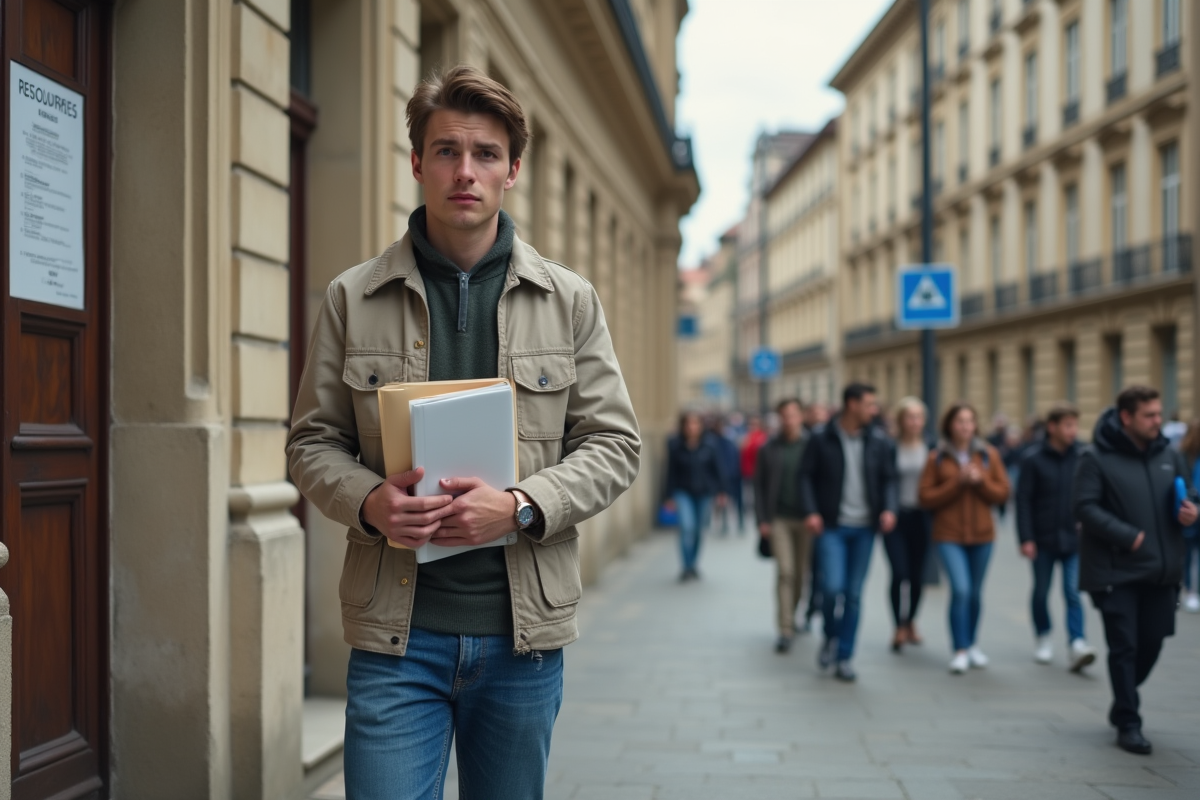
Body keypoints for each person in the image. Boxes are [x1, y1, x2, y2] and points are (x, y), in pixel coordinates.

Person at [286, 65, 641, 799]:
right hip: (396, 640)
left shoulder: (568, 300)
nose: (465, 172)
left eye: (485, 154)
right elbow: (311, 443)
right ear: (417, 163)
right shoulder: (354, 297)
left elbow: (615, 444)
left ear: (513, 170)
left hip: (523, 643)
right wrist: (370, 501)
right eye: (446, 151)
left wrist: (518, 506)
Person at [1074, 386, 1197, 755]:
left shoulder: (1169, 455)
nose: (1158, 422)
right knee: (1124, 646)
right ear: (1126, 417)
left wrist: (1191, 510)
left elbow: (1188, 494)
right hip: (1116, 572)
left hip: (1161, 572)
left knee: (1152, 643)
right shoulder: (1095, 458)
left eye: (1159, 414)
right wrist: (1127, 536)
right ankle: (1129, 721)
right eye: (1150, 415)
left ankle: (1122, 698)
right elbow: (1084, 507)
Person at [798, 383, 898, 682]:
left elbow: (889, 480)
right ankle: (830, 634)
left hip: (864, 529)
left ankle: (844, 656)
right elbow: (805, 477)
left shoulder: (879, 441)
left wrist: (889, 509)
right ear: (852, 405)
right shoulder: (821, 438)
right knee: (831, 589)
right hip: (831, 526)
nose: (874, 410)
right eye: (869, 404)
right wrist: (811, 511)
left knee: (853, 595)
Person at [918, 402, 1010, 675]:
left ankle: (972, 644)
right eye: (960, 421)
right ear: (950, 425)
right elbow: (925, 497)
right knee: (961, 590)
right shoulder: (937, 457)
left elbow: (1003, 493)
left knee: (975, 594)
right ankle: (959, 649)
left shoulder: (988, 455)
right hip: (948, 535)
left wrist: (981, 480)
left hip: (982, 535)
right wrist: (956, 482)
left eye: (970, 421)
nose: (965, 427)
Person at [1016, 404, 1097, 671]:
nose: (1073, 431)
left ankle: (1077, 642)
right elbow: (1023, 500)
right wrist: (1026, 537)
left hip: (1074, 539)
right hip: (1042, 539)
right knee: (1041, 591)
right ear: (1052, 427)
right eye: (1068, 425)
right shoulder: (1033, 458)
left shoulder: (1084, 455)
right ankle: (1043, 635)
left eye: (1075, 425)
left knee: (1073, 592)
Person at [754, 399, 811, 653]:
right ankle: (785, 628)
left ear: (801, 416)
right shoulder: (769, 448)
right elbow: (758, 486)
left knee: (800, 574)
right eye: (784, 416)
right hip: (779, 519)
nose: (788, 420)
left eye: (793, 415)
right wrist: (762, 520)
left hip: (807, 520)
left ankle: (794, 612)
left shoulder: (812, 446)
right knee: (785, 572)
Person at [885, 397, 932, 653]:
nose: (914, 422)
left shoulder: (932, 447)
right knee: (899, 572)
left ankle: (911, 620)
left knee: (917, 576)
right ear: (901, 420)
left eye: (919, 417)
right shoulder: (890, 448)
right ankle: (898, 626)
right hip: (896, 517)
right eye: (909, 417)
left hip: (922, 517)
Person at [664, 411, 727, 581]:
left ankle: (693, 565)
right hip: (682, 492)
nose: (692, 427)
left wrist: (722, 491)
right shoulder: (675, 445)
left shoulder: (710, 444)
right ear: (683, 426)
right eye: (688, 424)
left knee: (699, 530)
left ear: (701, 426)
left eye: (695, 423)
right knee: (687, 527)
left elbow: (718, 470)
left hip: (704, 493)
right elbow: (670, 472)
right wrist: (668, 496)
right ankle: (685, 567)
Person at [710, 416, 744, 536]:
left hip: (734, 476)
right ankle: (725, 525)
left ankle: (740, 524)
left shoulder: (730, 441)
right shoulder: (713, 443)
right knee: (723, 502)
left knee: (737, 502)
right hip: (723, 477)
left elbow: (736, 458)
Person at [1180, 420, 1200, 613]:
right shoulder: (1184, 457)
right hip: (1191, 509)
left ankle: (1190, 590)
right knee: (1189, 554)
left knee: (1188, 554)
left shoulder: (1182, 456)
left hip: (1189, 508)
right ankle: (1191, 590)